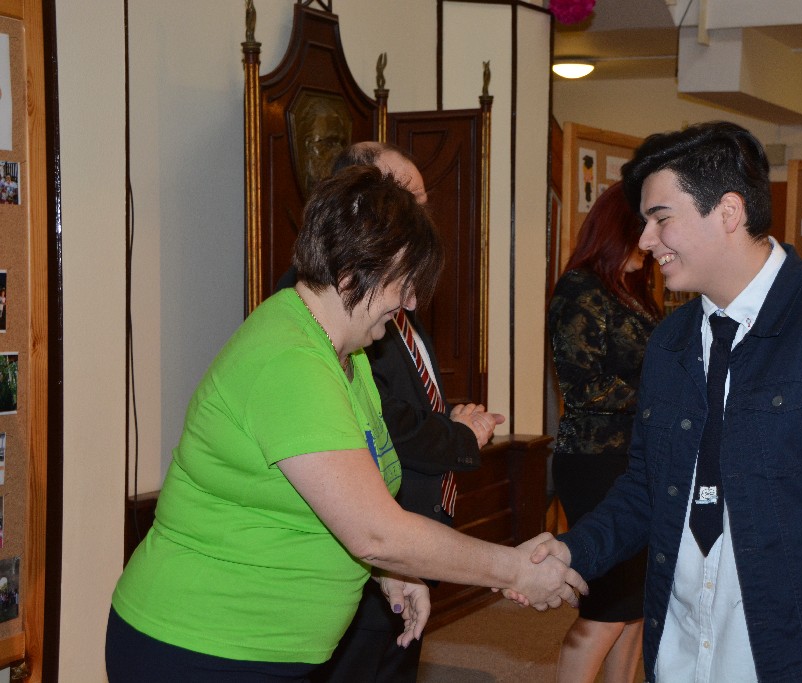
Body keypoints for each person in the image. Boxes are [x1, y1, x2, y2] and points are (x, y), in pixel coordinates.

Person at [105, 165, 586, 683]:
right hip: (199, 645)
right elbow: (376, 532)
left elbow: (350, 499)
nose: (412, 302)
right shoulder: (290, 361)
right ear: (352, 274)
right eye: (404, 283)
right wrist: (514, 569)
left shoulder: (348, 357)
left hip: (263, 650)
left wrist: (389, 572)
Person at [525, 121, 802, 682]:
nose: (646, 240)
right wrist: (572, 552)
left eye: (661, 218)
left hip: (789, 654)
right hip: (680, 648)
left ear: (729, 212)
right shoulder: (671, 341)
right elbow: (646, 488)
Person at [276, 141, 504, 683]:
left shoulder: (378, 297)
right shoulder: (309, 326)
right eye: (407, 201)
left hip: (391, 554)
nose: (421, 216)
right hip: (352, 553)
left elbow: (393, 400)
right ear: (361, 207)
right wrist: (513, 569)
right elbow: (383, 425)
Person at [547, 181, 660, 683]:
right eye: (645, 227)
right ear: (619, 229)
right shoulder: (580, 288)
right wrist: (659, 398)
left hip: (634, 457)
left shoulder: (632, 290)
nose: (653, 241)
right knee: (609, 607)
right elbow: (583, 386)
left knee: (636, 606)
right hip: (595, 461)